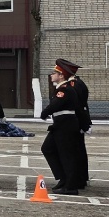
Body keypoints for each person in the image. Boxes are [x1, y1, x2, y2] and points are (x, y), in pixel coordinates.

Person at [41, 59, 85, 195]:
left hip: (66, 125)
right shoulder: (60, 89)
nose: (51, 75)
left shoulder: (65, 89)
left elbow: (56, 105)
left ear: (61, 76)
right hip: (60, 125)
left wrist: (44, 112)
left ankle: (71, 186)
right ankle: (63, 178)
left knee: (67, 155)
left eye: (55, 73)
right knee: (47, 148)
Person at [61, 58, 91, 189]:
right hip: (79, 120)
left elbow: (79, 106)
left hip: (77, 120)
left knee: (76, 151)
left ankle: (79, 179)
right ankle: (81, 177)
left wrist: (83, 124)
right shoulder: (77, 83)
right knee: (78, 150)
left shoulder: (75, 85)